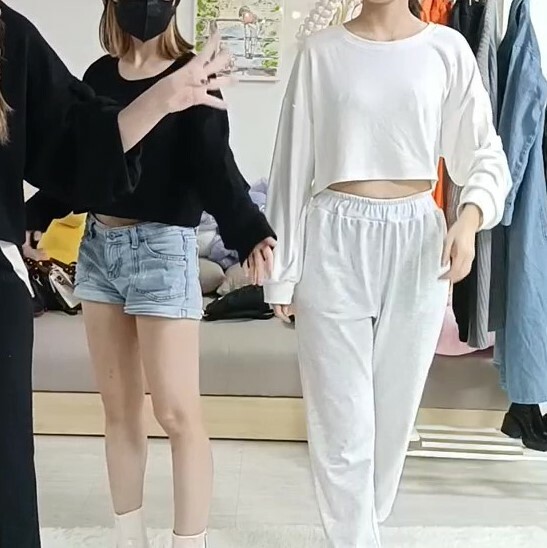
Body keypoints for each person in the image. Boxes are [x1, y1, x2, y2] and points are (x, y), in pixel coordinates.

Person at [260, 0, 511, 547]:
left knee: (392, 419)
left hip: (418, 240)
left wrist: (469, 219)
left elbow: (485, 155)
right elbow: (291, 166)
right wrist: (282, 271)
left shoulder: (447, 50)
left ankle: (361, 530)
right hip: (333, 236)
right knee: (340, 418)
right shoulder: (322, 53)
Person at [25, 1, 275, 547]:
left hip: (163, 251)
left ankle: (189, 541)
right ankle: (129, 537)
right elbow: (82, 167)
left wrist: (251, 229)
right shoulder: (98, 76)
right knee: (118, 412)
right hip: (98, 250)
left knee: (177, 413)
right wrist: (36, 215)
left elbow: (216, 169)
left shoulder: (193, 75)